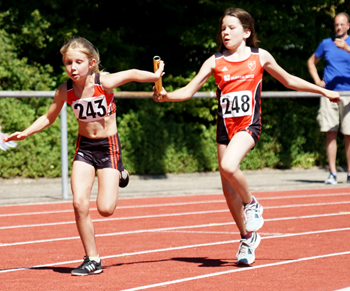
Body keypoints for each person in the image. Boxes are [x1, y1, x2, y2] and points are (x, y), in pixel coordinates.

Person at [153, 7, 340, 265]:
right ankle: (246, 237)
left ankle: (252, 203)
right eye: (222, 28)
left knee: (228, 165)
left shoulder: (259, 57)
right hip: (224, 128)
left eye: (231, 27)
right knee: (228, 190)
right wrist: (167, 95)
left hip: (248, 125)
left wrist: (323, 92)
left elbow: (288, 80)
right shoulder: (214, 61)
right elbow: (188, 90)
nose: (225, 32)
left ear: (246, 32)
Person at [5, 37, 164, 276]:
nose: (73, 68)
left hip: (109, 148)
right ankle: (93, 259)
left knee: (106, 209)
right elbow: (49, 117)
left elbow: (131, 73)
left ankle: (120, 171)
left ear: (91, 63)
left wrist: (155, 77)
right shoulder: (65, 90)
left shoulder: (104, 82)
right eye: (68, 62)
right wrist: (26, 132)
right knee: (79, 203)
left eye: (78, 62)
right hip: (85, 149)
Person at [307, 12, 350, 185]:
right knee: (330, 133)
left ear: (348, 26)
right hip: (329, 94)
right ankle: (332, 173)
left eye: (342, 24)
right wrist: (317, 82)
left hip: (349, 95)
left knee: (349, 135)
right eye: (336, 25)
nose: (338, 27)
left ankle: (349, 173)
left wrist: (347, 49)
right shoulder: (326, 43)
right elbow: (311, 62)